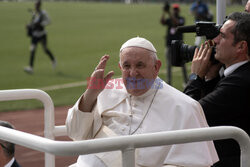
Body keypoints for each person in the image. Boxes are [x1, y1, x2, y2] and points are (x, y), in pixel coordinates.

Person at [66, 37, 219, 167]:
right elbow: (76, 134)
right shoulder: (104, 90)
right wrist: (91, 93)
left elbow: (192, 162)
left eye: (140, 65)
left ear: (156, 67)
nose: (133, 73)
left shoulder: (184, 106)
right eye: (127, 66)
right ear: (120, 67)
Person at [183, 12, 250, 167]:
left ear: (241, 46)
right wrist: (211, 78)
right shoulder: (238, 75)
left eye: (222, 36)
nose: (214, 41)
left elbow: (188, 114)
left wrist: (195, 76)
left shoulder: (240, 82)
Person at [24, 0, 56, 74]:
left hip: (42, 34)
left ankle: (53, 60)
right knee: (32, 50)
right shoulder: (34, 13)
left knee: (45, 49)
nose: (36, 6)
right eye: (35, 5)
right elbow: (33, 23)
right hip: (35, 35)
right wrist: (28, 26)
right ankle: (30, 67)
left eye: (37, 5)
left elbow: (49, 21)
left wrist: (41, 24)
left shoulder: (43, 13)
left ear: (40, 5)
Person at [160, 3, 188, 86]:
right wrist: (164, 12)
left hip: (179, 45)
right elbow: (162, 21)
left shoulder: (182, 19)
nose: (175, 10)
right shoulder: (169, 19)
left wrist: (169, 13)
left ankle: (186, 81)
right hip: (169, 45)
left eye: (176, 9)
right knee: (168, 65)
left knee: (182, 64)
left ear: (178, 10)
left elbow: (177, 23)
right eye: (174, 9)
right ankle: (169, 83)